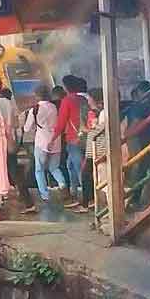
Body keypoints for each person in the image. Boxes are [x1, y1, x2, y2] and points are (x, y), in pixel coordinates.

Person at [25, 84, 67, 204]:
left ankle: (45, 195)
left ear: (37, 96)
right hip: (55, 140)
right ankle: (62, 184)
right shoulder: (54, 107)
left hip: (41, 142)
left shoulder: (35, 109)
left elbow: (27, 128)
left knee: (39, 170)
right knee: (54, 167)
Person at [126, 81, 150, 209]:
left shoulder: (140, 107)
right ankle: (149, 197)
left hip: (139, 142)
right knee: (149, 170)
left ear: (141, 92)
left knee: (138, 171)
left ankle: (134, 199)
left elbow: (136, 125)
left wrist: (123, 137)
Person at [50, 76, 85, 208]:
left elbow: (61, 121)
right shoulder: (82, 99)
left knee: (78, 167)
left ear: (66, 87)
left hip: (73, 138)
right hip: (82, 137)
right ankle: (74, 193)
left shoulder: (67, 100)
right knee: (71, 165)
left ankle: (87, 198)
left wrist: (53, 138)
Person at [79, 88, 104, 213]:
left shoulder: (95, 113)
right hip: (95, 148)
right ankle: (90, 201)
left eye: (89, 99)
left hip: (96, 148)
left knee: (86, 175)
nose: (88, 101)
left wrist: (84, 129)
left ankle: (86, 203)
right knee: (91, 175)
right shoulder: (100, 112)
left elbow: (93, 129)